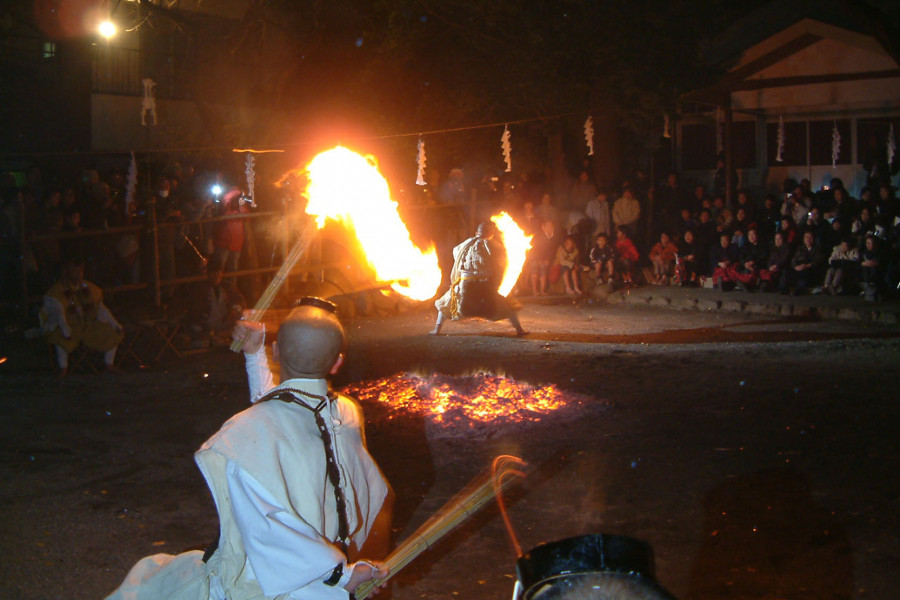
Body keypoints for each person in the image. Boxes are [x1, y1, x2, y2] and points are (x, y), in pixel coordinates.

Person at [103, 298, 392, 600]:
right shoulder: (346, 415)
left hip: (273, 584)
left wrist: (341, 576)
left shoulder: (241, 437)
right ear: (337, 363)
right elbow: (284, 414)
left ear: (276, 350)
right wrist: (254, 354)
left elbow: (271, 527)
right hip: (321, 569)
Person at [431, 221, 527, 336]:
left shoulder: (466, 244)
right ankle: (519, 330)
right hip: (484, 285)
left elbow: (456, 253)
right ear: (491, 234)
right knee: (506, 306)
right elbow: (501, 261)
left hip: (465, 284)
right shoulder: (493, 245)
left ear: (477, 232)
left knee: (446, 303)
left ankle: (437, 329)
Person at [41, 257, 123, 376]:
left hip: (88, 326)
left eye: (81, 271)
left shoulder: (91, 288)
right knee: (60, 337)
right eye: (75, 271)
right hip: (69, 327)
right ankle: (63, 368)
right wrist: (66, 331)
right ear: (66, 271)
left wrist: (114, 324)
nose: (78, 274)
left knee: (112, 332)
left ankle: (109, 365)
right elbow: (59, 315)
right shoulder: (56, 291)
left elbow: (101, 309)